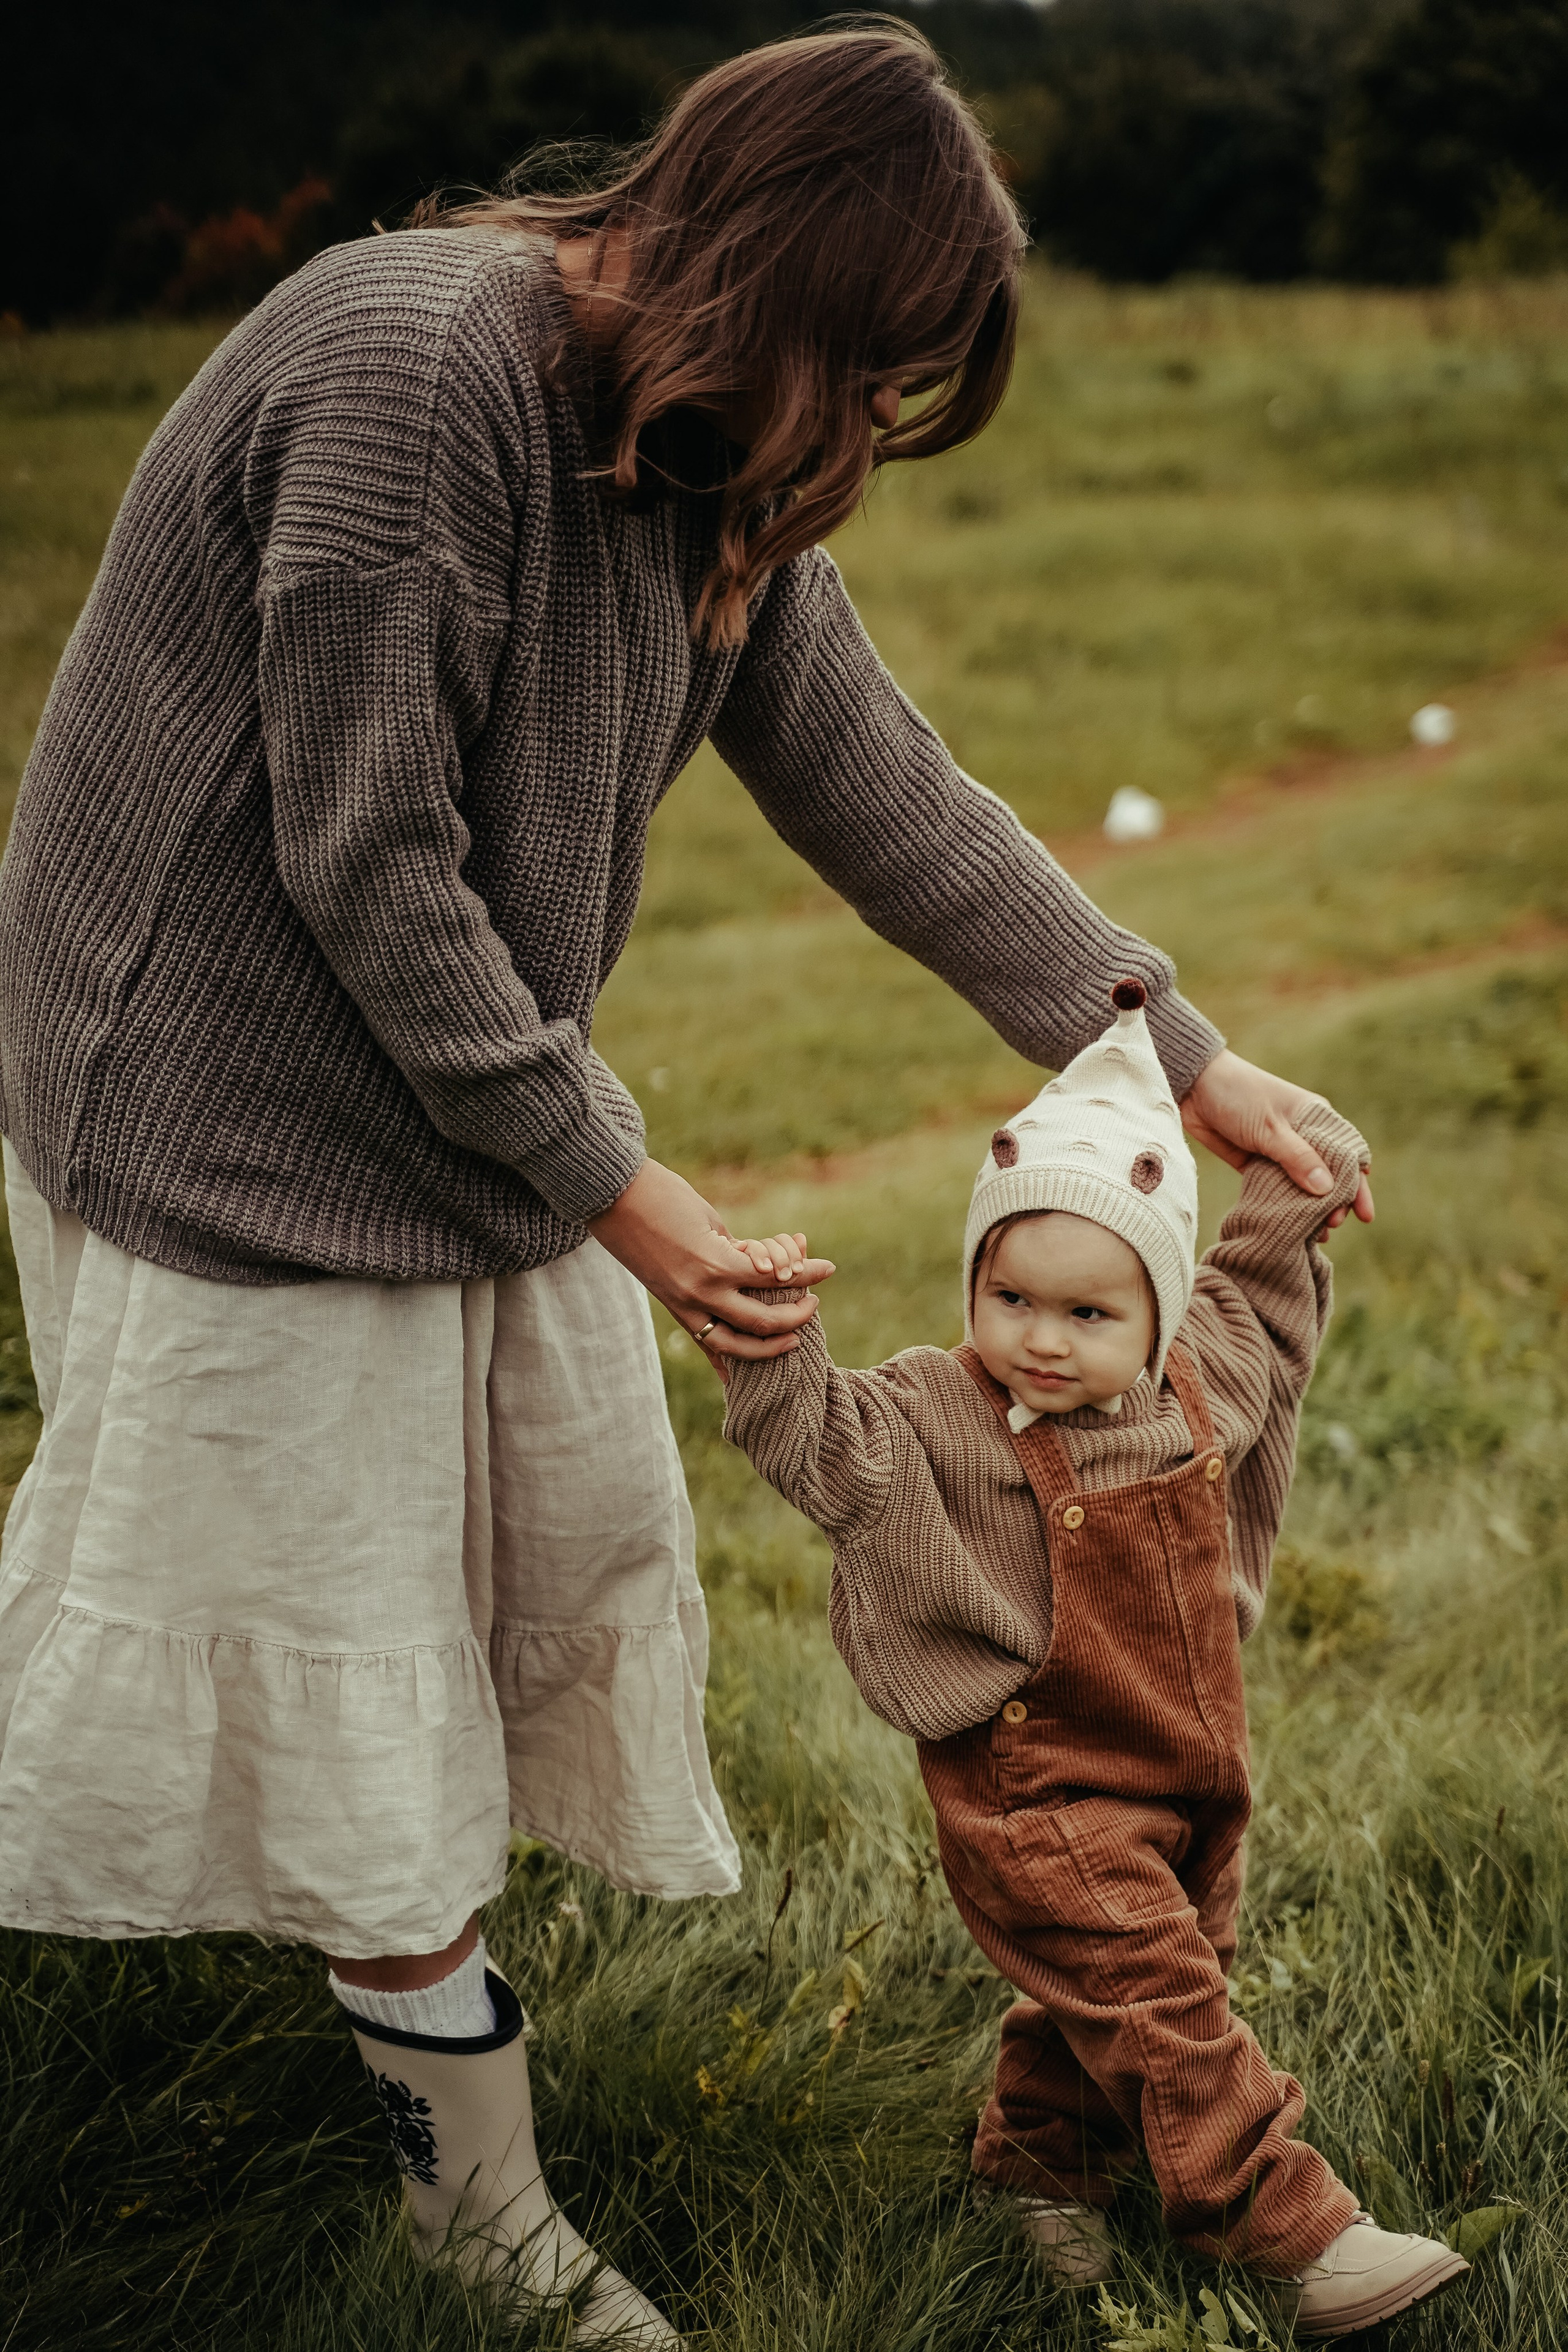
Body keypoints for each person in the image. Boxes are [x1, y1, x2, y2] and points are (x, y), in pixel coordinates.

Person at [0, 17, 1368, 2343]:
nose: (870, 436)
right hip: (222, 1102)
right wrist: (638, 1201)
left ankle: (424, 2061)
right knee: (335, 1638)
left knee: (516, 1570)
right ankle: (479, 2213)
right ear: (769, 278)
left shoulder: (709, 456)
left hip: (460, 1097)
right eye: (876, 367)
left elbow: (885, 788)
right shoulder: (414, 375)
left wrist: (1185, 1056)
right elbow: (367, 863)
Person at [722, 979, 1466, 2339]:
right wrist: (769, 1339)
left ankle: (1035, 2171)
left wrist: (1299, 1186)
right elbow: (822, 1448)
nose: (1039, 1339)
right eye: (1007, 1296)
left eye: (1086, 1315)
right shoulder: (935, 1414)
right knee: (1165, 2011)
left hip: (1185, 1771)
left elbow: (1263, 1298)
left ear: (1156, 1311)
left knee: (1127, 1993)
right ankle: (1287, 2231)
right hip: (1032, 1789)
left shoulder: (1200, 1377)